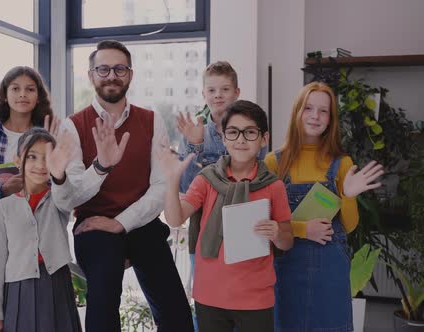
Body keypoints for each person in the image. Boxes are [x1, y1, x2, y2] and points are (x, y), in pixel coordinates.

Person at [50, 40, 193, 332]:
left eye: (119, 69)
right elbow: (71, 195)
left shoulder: (152, 121)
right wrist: (102, 166)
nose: (111, 75)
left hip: (142, 221)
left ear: (130, 74)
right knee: (103, 299)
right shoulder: (73, 126)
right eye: (103, 69)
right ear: (91, 75)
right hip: (93, 225)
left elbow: (160, 187)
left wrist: (120, 223)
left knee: (175, 308)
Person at [160, 100, 293, 332]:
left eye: (250, 132)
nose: (240, 139)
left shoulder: (274, 186)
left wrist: (277, 232)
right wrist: (171, 182)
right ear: (224, 138)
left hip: (256, 299)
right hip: (210, 296)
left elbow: (287, 240)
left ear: (264, 139)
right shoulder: (206, 178)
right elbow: (175, 218)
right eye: (233, 132)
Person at [264, 82, 384, 332]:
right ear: (297, 111)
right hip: (286, 266)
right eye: (308, 108)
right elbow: (267, 222)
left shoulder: (342, 163)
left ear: (331, 119)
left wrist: (348, 195)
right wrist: (302, 230)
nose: (315, 116)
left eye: (323, 111)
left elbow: (348, 227)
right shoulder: (273, 162)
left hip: (330, 267)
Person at [0, 127, 81, 332]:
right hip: (18, 290)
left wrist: (59, 175)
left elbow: (67, 199)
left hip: (57, 284)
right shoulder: (4, 207)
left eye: (48, 158)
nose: (40, 165)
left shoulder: (59, 198)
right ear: (18, 160)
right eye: (32, 156)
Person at [0, 66, 59, 196]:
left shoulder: (49, 137)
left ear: (38, 97)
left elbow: (60, 189)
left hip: (38, 214)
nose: (22, 94)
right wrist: (4, 191)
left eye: (30, 89)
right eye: (15, 89)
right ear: (5, 95)